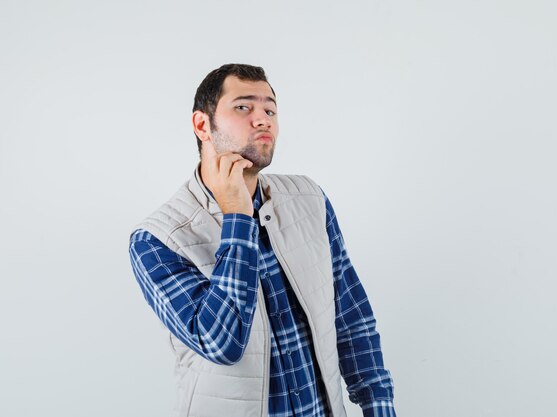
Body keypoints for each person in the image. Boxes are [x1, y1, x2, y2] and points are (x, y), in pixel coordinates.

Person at [128, 63, 396, 417]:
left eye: (270, 109)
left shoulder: (310, 199)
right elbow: (220, 342)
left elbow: (351, 318)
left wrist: (379, 406)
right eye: (243, 107)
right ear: (201, 125)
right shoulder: (157, 239)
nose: (263, 119)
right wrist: (237, 218)